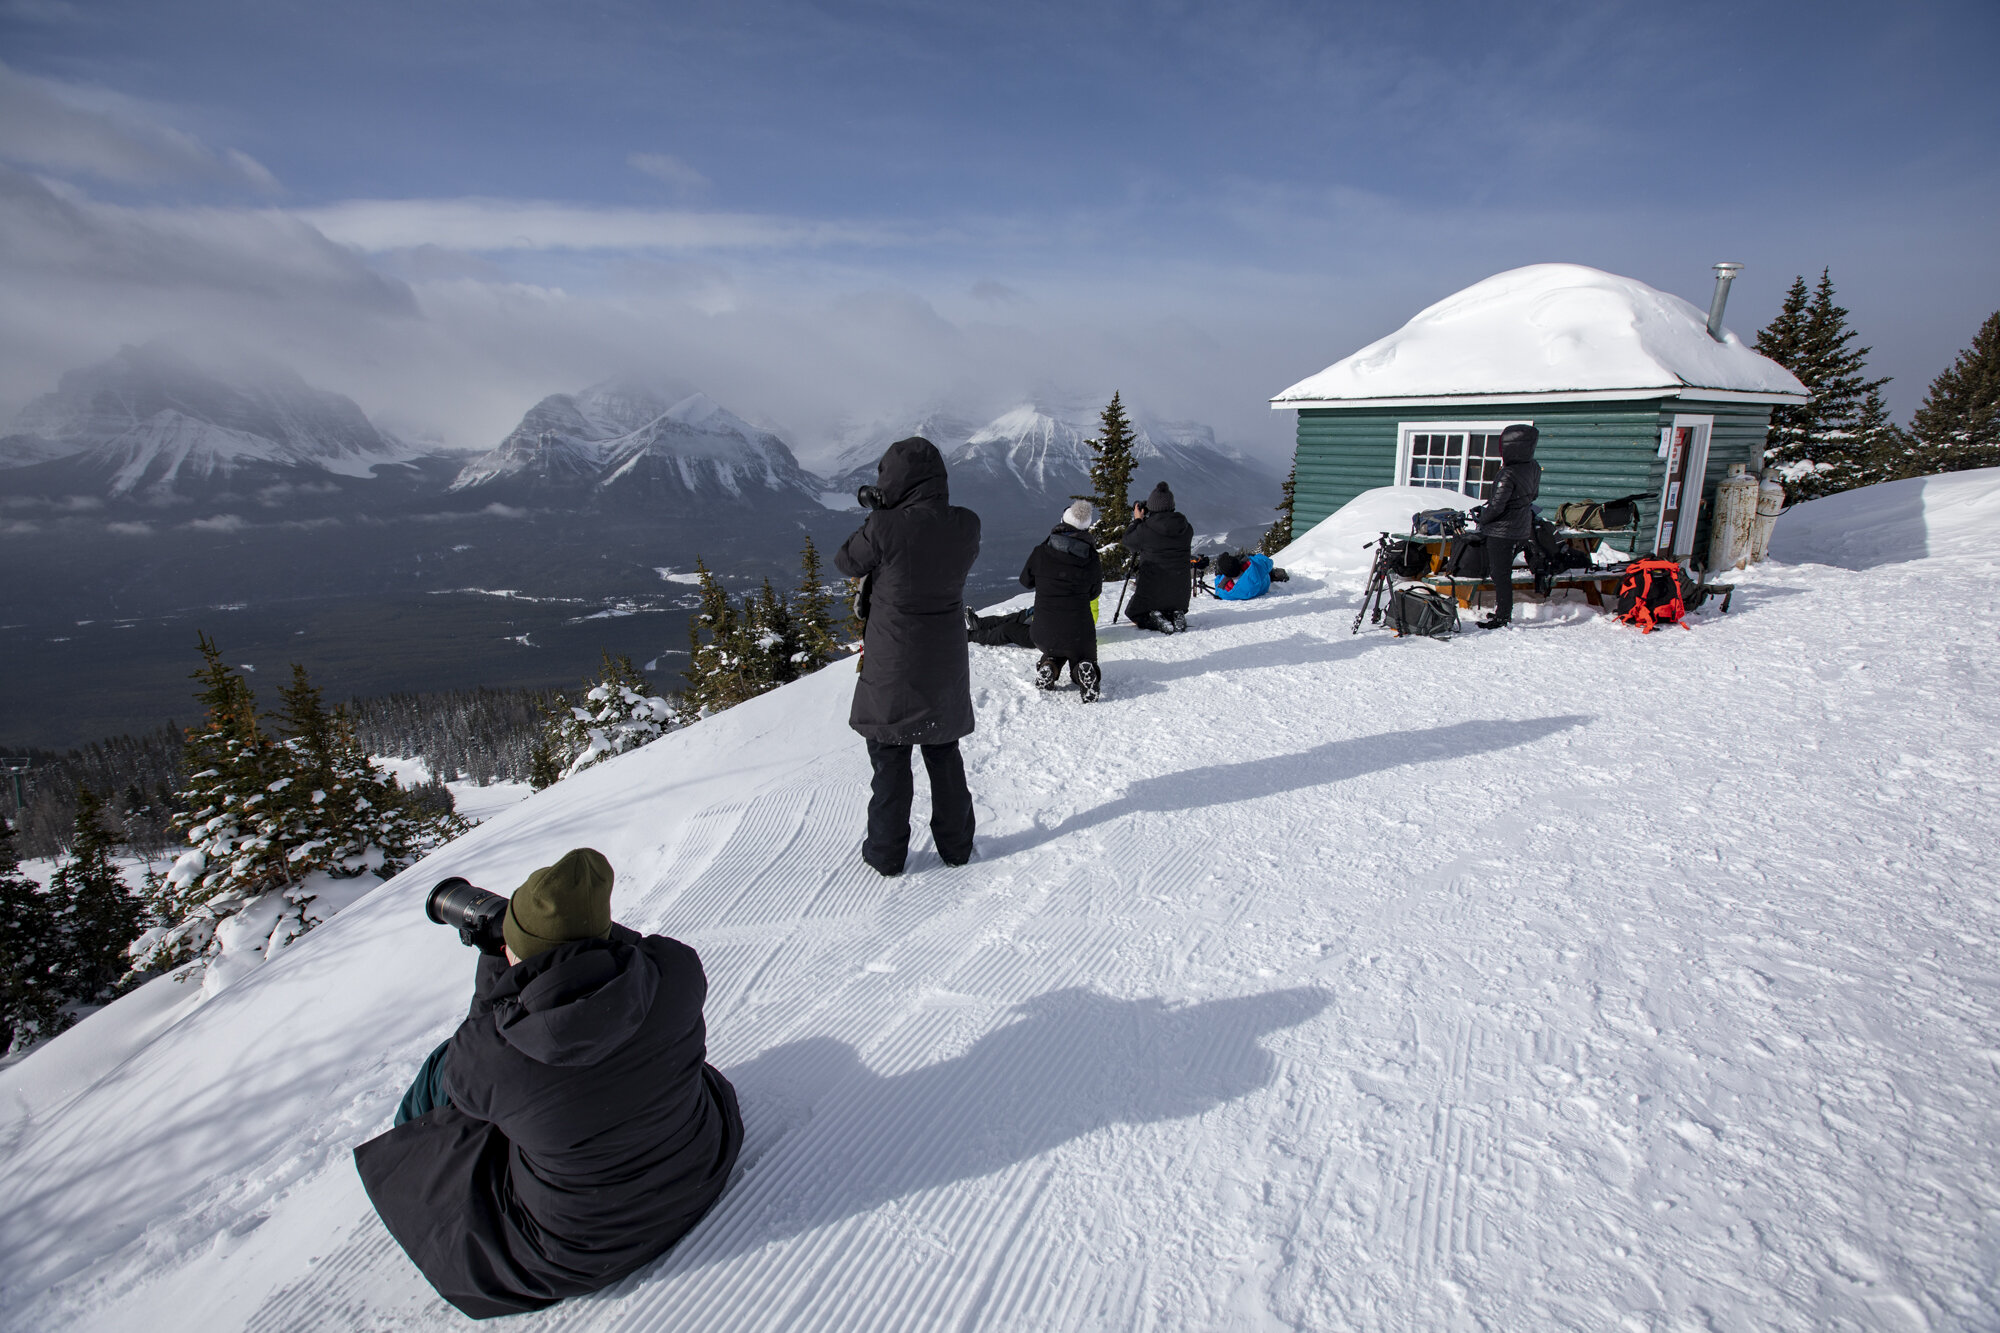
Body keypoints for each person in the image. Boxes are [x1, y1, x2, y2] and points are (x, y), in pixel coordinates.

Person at [353, 848, 743, 1321]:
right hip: (699, 1165)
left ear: (515, 951)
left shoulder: (492, 1057)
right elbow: (630, 948)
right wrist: (574, 936)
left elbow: (470, 1068)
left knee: (442, 1075)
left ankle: (417, 1149)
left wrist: (499, 967)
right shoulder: (676, 969)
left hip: (579, 1249)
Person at [834, 436, 982, 875]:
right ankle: (956, 847)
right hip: (945, 662)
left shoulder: (883, 527)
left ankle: (886, 854)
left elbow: (846, 561)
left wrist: (880, 511)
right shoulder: (967, 524)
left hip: (893, 663)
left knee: (890, 758)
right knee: (943, 754)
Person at [1020, 499, 1103, 702]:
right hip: (1079, 631)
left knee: (1054, 648)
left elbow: (1025, 581)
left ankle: (1049, 666)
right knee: (1082, 656)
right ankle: (1083, 670)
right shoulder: (1091, 558)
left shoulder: (1041, 551)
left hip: (1043, 630)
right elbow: (1094, 592)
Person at [1468, 423, 1542, 629]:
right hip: (1522, 527)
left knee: (1500, 574)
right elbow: (1533, 495)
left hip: (1502, 531)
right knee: (1504, 572)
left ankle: (1503, 616)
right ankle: (1503, 611)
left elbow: (1497, 506)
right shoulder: (1534, 467)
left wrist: (1482, 518)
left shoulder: (1508, 473)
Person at [1120, 481, 1194, 633]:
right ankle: (1175, 614)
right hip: (1180, 593)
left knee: (1134, 613)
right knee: (1170, 603)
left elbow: (1127, 541)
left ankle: (1155, 620)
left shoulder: (1145, 530)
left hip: (1152, 590)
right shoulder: (1186, 528)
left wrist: (1137, 520)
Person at [1212, 550, 1285, 600]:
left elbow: (1218, 590)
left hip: (1252, 593)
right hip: (1264, 586)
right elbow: (1268, 561)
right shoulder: (1254, 565)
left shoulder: (1227, 590)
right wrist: (1250, 557)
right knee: (1266, 571)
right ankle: (1276, 575)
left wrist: (1219, 575)